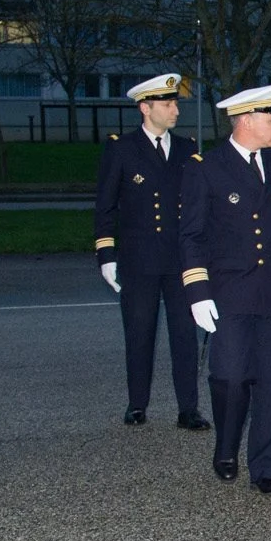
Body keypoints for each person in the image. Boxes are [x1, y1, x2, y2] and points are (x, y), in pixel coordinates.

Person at [179, 83, 271, 494]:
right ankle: (226, 445)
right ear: (247, 121)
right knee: (232, 376)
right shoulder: (206, 167)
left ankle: (267, 467)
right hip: (230, 290)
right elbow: (192, 235)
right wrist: (197, 292)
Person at [93, 73, 208, 430]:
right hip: (139, 259)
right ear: (146, 108)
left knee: (184, 335)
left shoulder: (189, 149)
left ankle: (188, 408)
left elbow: (197, 207)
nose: (175, 110)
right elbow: (105, 206)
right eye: (168, 104)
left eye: (175, 103)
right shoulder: (122, 149)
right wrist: (106, 254)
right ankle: (137, 403)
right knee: (139, 332)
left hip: (178, 261)